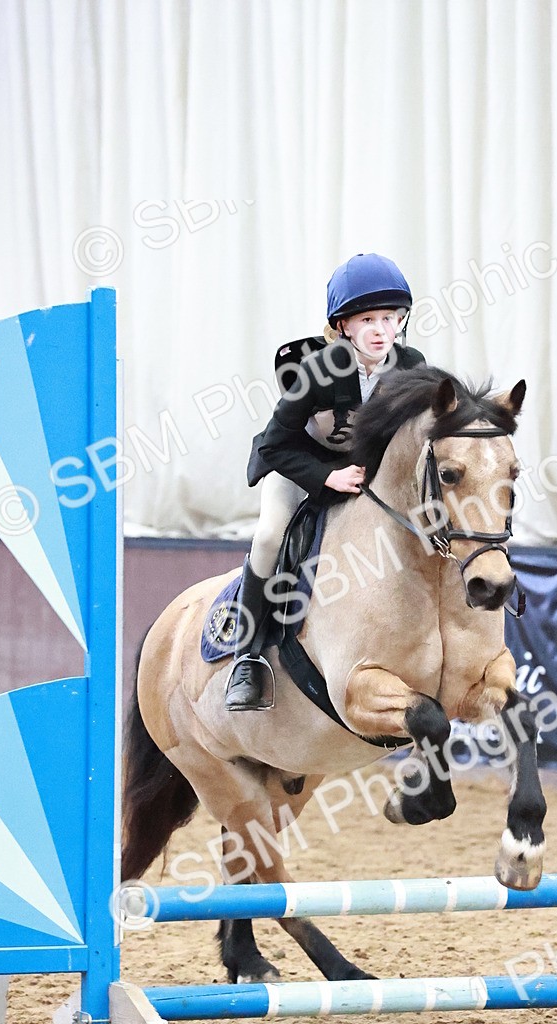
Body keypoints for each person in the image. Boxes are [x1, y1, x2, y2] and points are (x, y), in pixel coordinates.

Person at [225, 252, 426, 711]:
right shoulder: (316, 370)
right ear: (343, 327)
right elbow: (276, 445)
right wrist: (326, 476)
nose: (382, 329)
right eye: (368, 319)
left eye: (391, 318)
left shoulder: (411, 367)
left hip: (361, 473)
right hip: (299, 466)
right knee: (270, 536)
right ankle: (248, 657)